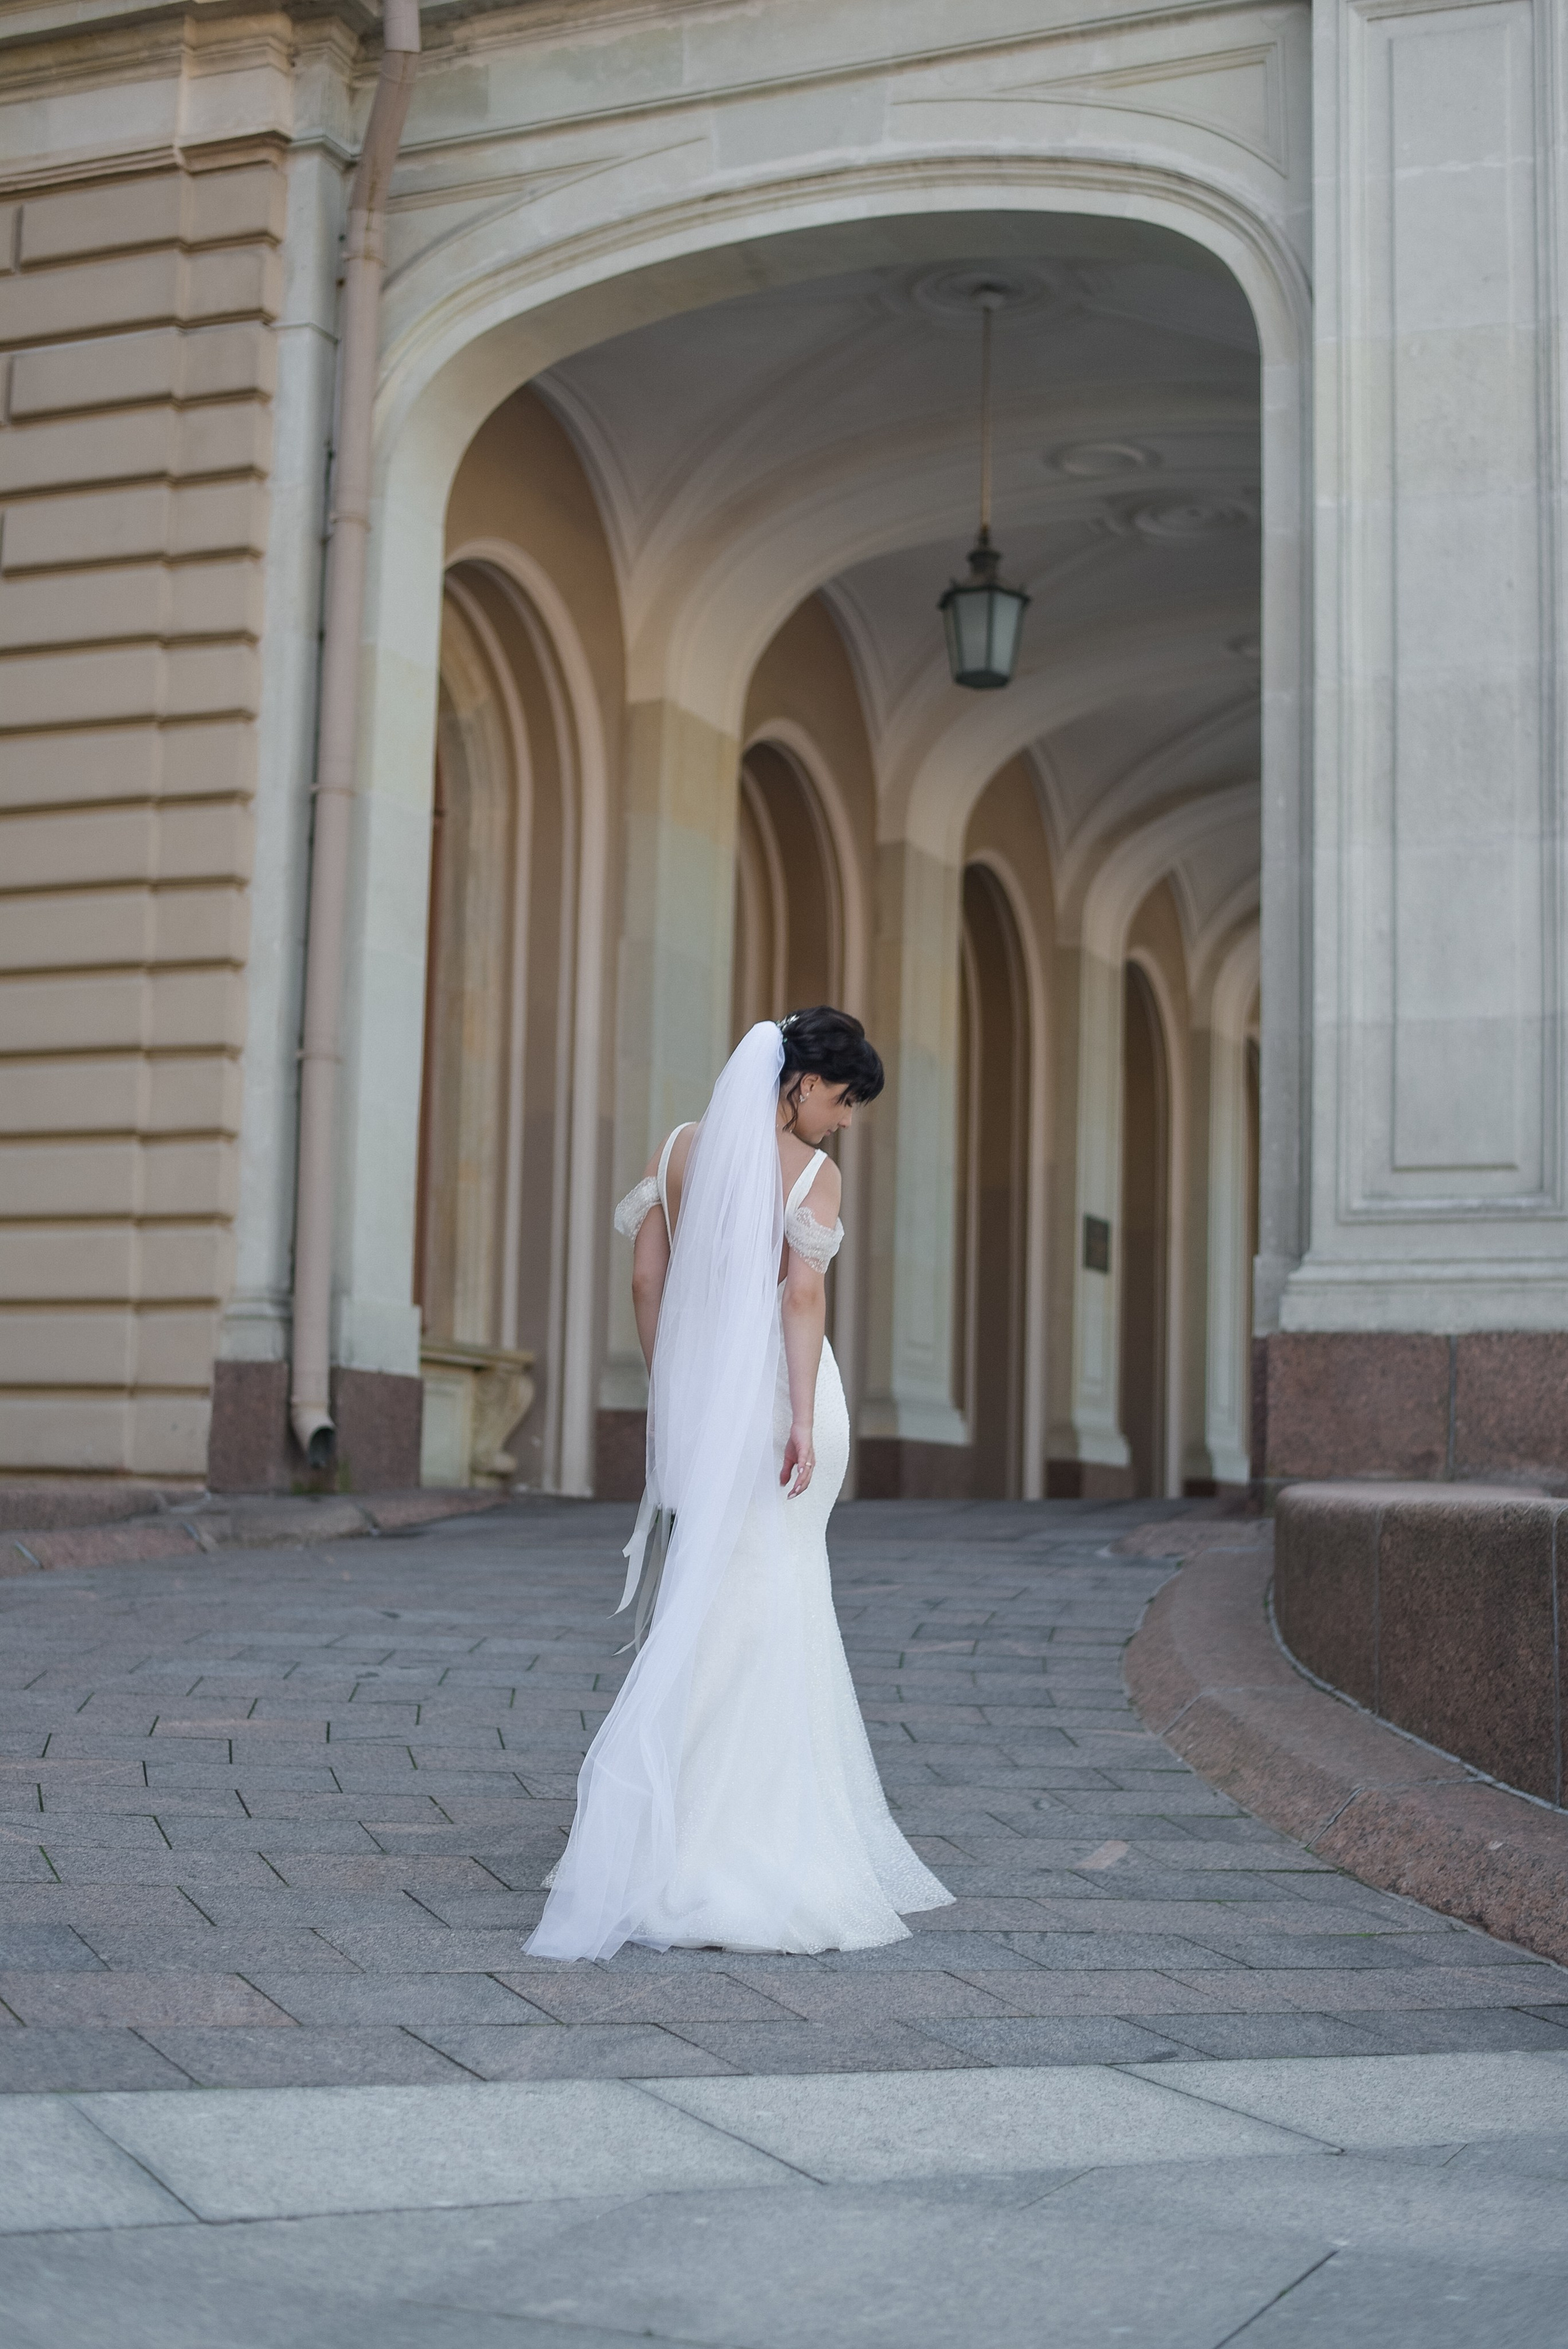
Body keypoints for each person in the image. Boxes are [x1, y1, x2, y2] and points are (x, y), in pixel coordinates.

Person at [526, 1008, 953, 1961]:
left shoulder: (680, 1148)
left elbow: (647, 1282)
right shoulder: (811, 1174)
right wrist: (798, 1418)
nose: (846, 1121)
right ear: (804, 1082)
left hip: (700, 1397)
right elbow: (802, 1295)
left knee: (711, 1592)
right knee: (777, 1593)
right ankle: (759, 1826)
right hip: (777, 1397)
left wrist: (676, 1381)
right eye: (844, 1100)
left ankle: (670, 1821)